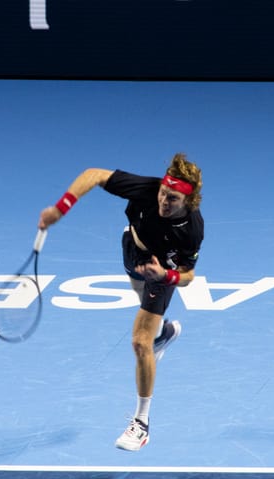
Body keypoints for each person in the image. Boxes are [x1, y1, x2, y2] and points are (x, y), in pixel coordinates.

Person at [38, 153, 204, 451]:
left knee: (141, 343)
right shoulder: (147, 189)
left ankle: (141, 424)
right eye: (164, 194)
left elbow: (188, 275)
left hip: (160, 271)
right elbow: (94, 174)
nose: (164, 202)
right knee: (148, 321)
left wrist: (166, 276)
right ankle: (165, 333)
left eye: (173, 199)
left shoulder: (192, 229)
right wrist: (61, 209)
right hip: (132, 251)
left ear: (188, 202)